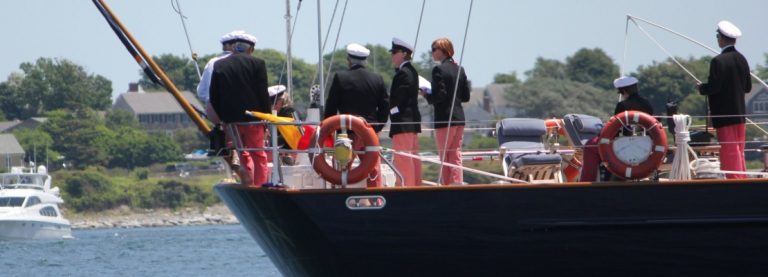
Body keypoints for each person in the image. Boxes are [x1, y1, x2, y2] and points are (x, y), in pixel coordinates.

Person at [208, 30, 271, 186]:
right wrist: (267, 118)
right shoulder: (258, 63)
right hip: (253, 119)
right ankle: (260, 185)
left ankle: (247, 181)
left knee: (242, 153)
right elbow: (263, 93)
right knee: (259, 154)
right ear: (250, 49)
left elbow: (213, 96)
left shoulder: (219, 64)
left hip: (231, 120)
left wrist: (223, 118)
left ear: (234, 48)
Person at [324, 43, 389, 187]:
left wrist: (328, 128)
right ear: (365, 60)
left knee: (342, 169)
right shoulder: (377, 78)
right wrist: (377, 127)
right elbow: (385, 106)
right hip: (369, 131)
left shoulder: (341, 78)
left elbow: (331, 106)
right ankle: (376, 198)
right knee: (373, 169)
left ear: (349, 60)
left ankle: (342, 198)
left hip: (346, 133)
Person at [697, 20, 752, 179]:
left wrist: (701, 88)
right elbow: (747, 87)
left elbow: (714, 87)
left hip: (724, 115)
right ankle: (742, 178)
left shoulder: (718, 61)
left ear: (722, 38)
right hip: (740, 115)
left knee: (729, 150)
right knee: (739, 150)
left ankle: (733, 180)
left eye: (717, 36)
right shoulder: (742, 59)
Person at [580, 76, 653, 182]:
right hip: (645, 143)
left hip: (624, 143)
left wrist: (603, 133)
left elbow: (616, 129)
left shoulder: (622, 105)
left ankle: (587, 181)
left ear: (623, 91)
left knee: (590, 145)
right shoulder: (647, 104)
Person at [422, 38, 470, 186]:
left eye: (434, 49)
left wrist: (427, 95)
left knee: (444, 155)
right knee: (455, 154)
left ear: (443, 50)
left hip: (444, 118)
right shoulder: (460, 69)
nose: (432, 53)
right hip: (459, 118)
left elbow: (440, 95)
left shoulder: (438, 70)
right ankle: (457, 183)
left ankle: (446, 184)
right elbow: (466, 96)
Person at [388, 38, 423, 187]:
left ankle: (406, 188)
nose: (392, 56)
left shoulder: (404, 73)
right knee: (412, 157)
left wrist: (391, 112)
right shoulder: (411, 71)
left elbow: (399, 100)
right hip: (411, 123)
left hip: (403, 123)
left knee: (403, 158)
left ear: (404, 53)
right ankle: (414, 186)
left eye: (395, 52)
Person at [266, 85, 299, 165]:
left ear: (283, 101)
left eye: (275, 102)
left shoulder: (290, 111)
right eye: (271, 103)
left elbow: (298, 128)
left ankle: (286, 156)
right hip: (283, 144)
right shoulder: (277, 113)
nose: (273, 106)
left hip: (292, 142)